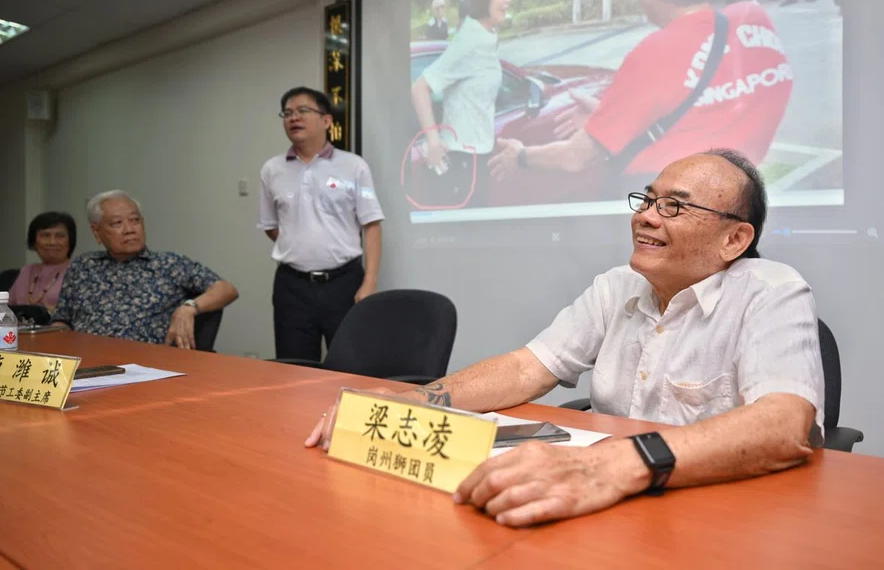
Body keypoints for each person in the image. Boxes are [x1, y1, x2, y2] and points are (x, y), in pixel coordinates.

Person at [307, 149, 825, 528]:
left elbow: (784, 423)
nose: (644, 215)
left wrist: (610, 464)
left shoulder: (772, 291)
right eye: (647, 200)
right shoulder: (617, 286)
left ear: (734, 239)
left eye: (674, 207)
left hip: (719, 513)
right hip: (604, 502)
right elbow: (527, 367)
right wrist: (414, 402)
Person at [488, 0, 792, 200]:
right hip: (737, 203)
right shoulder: (754, 20)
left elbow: (577, 157)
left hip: (664, 217)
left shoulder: (654, 54)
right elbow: (706, 110)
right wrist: (607, 119)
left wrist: (521, 156)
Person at [259, 87, 384, 362]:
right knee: (294, 370)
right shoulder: (272, 170)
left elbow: (372, 225)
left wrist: (369, 282)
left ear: (327, 120)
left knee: (351, 364)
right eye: (288, 113)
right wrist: (300, 245)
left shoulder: (353, 166)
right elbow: (270, 225)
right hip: (292, 286)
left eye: (303, 111)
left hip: (344, 283)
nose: (294, 118)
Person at [51, 191, 238, 348]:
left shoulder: (169, 264)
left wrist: (188, 308)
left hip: (146, 367)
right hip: (85, 363)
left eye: (135, 220)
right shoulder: (82, 266)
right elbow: (62, 320)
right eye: (117, 223)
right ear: (96, 232)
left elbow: (226, 289)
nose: (129, 229)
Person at [410, 0, 514, 208]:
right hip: (462, 164)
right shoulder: (470, 40)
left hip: (479, 158)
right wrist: (433, 141)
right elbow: (420, 87)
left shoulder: (487, 36)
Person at [8, 212, 77, 312]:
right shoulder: (27, 270)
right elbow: (5, 310)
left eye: (60, 236)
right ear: (34, 241)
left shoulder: (79, 271)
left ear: (70, 241)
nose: (52, 242)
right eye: (45, 235)